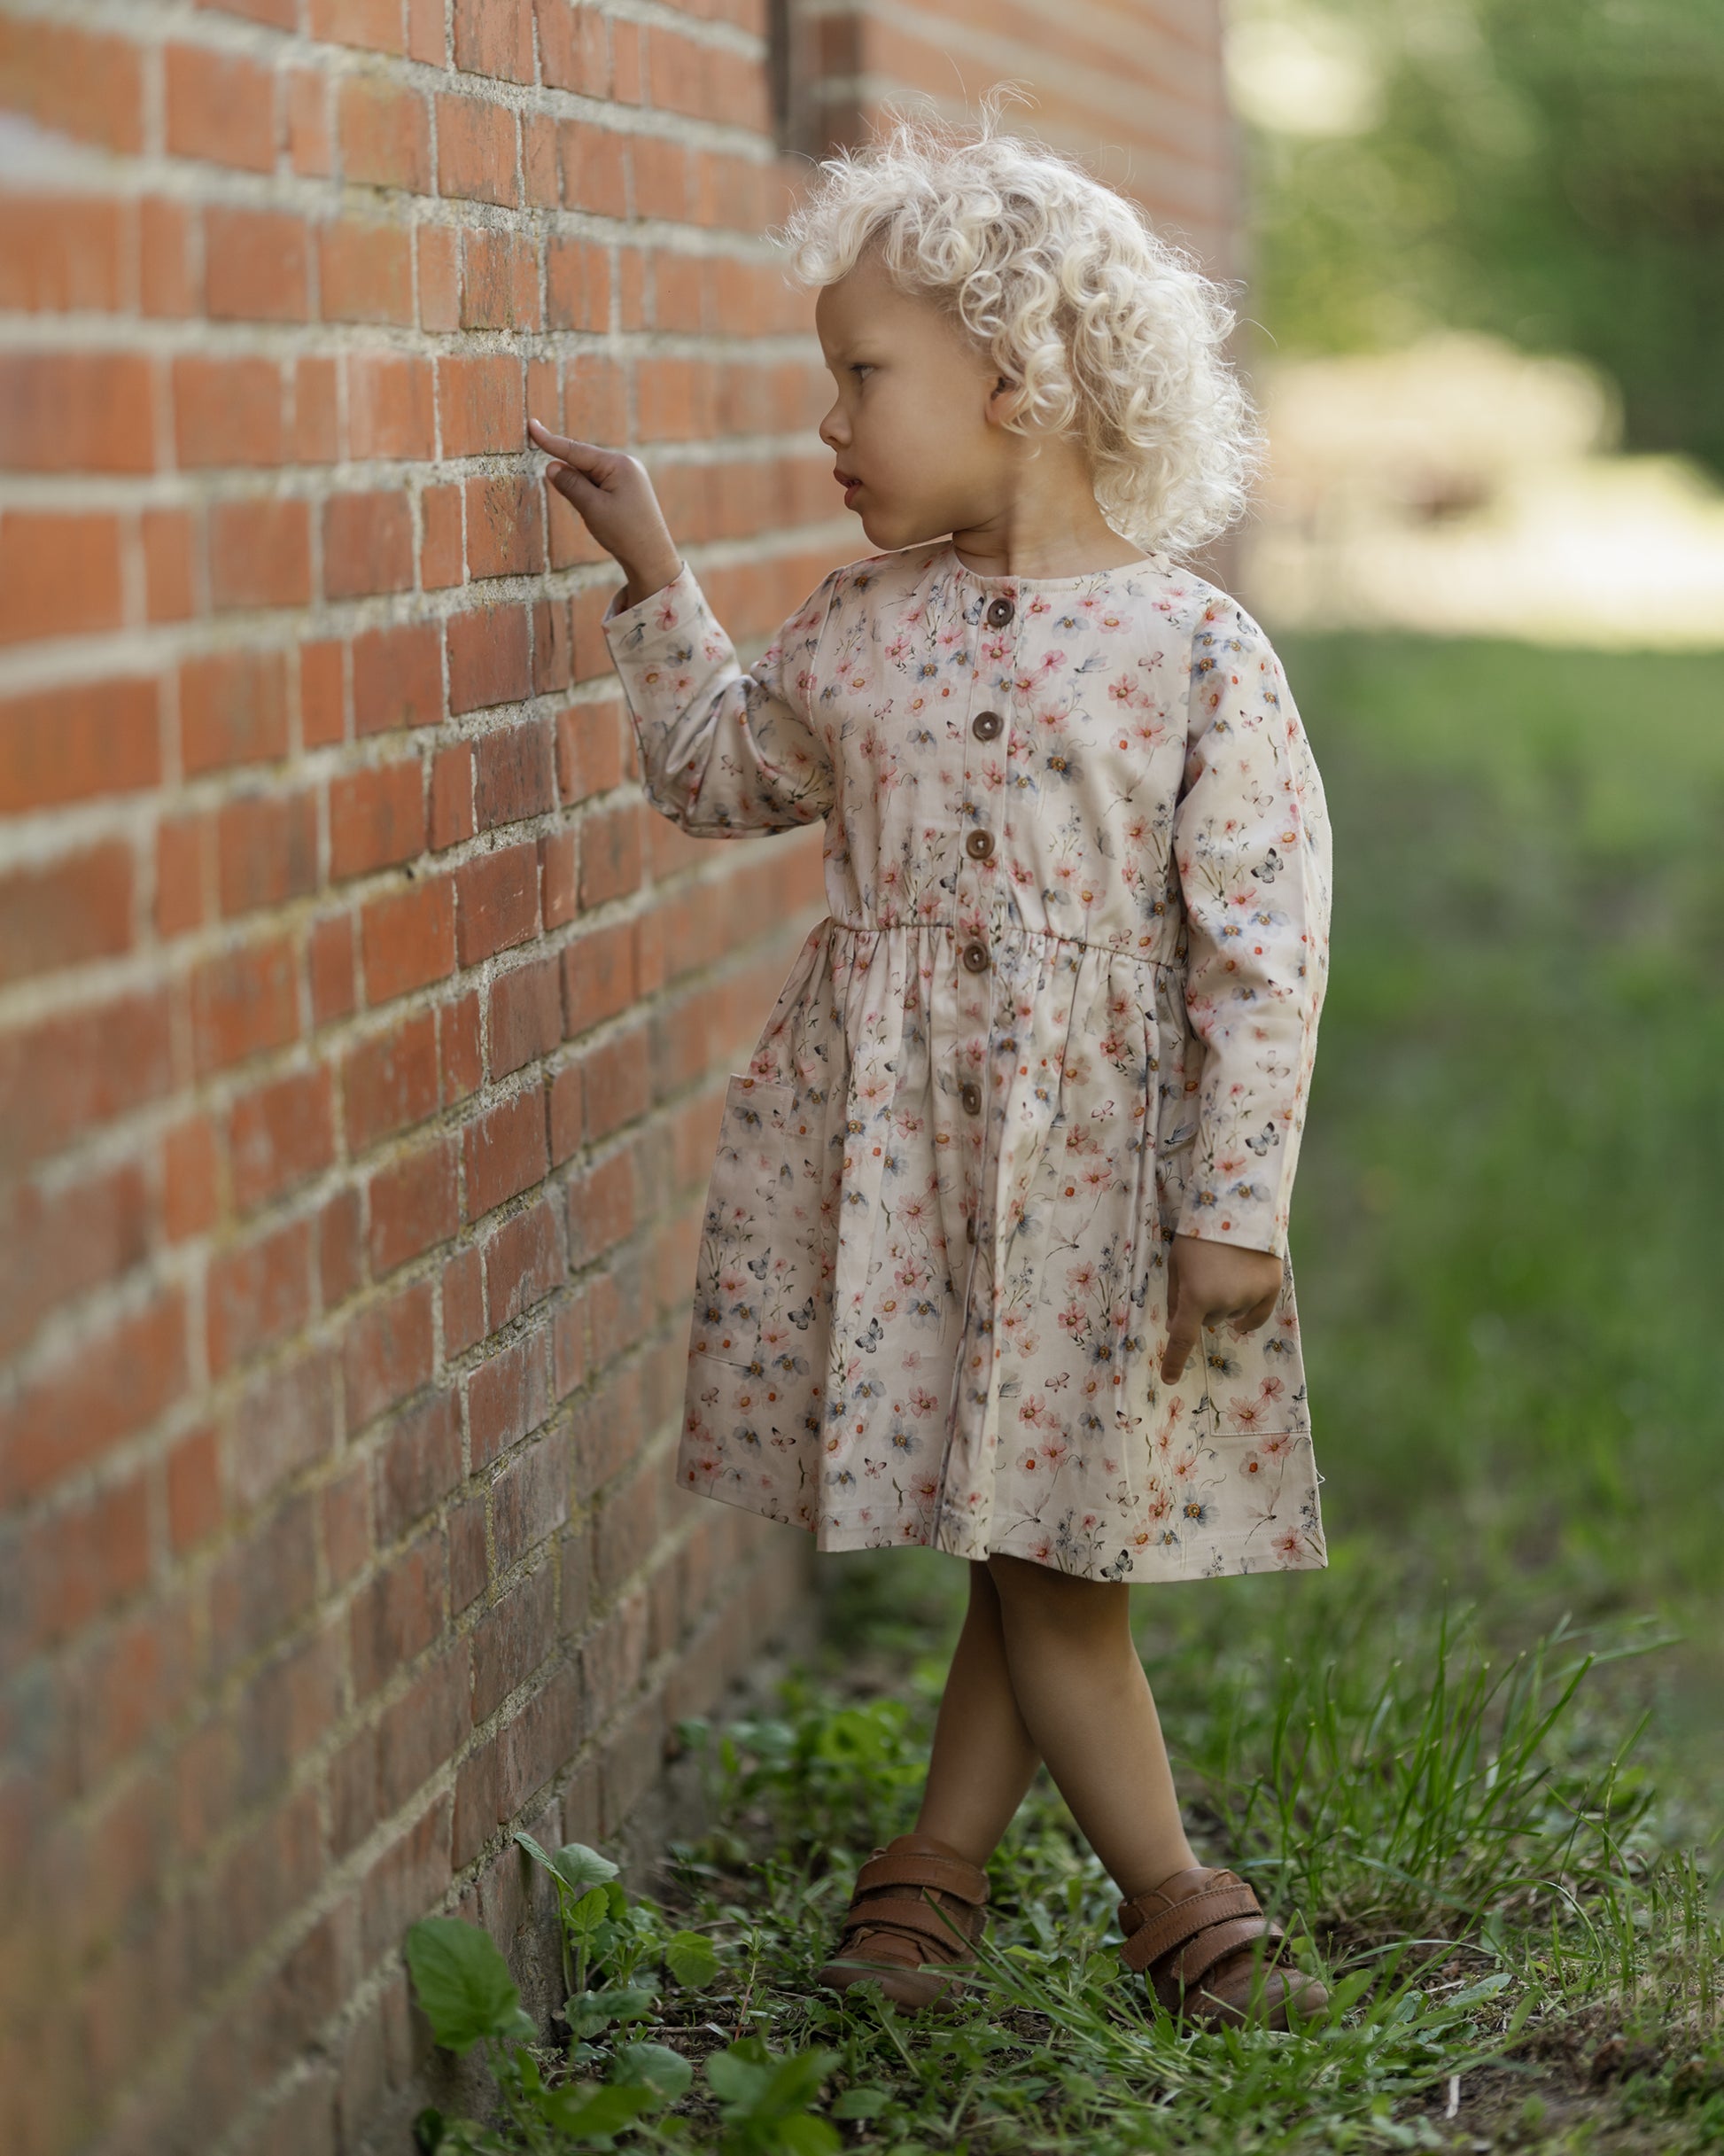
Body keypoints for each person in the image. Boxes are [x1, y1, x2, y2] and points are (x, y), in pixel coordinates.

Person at [528, 94, 1333, 2031]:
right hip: (896, 1148)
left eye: (860, 377)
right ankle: (931, 1885)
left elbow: (1266, 941)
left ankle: (1176, 1905)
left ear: (1018, 374)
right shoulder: (858, 633)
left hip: (1096, 1170)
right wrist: (654, 575)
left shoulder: (1190, 652)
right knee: (1025, 1518)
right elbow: (722, 774)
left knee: (1052, 1552)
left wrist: (1234, 1202)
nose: (827, 425)